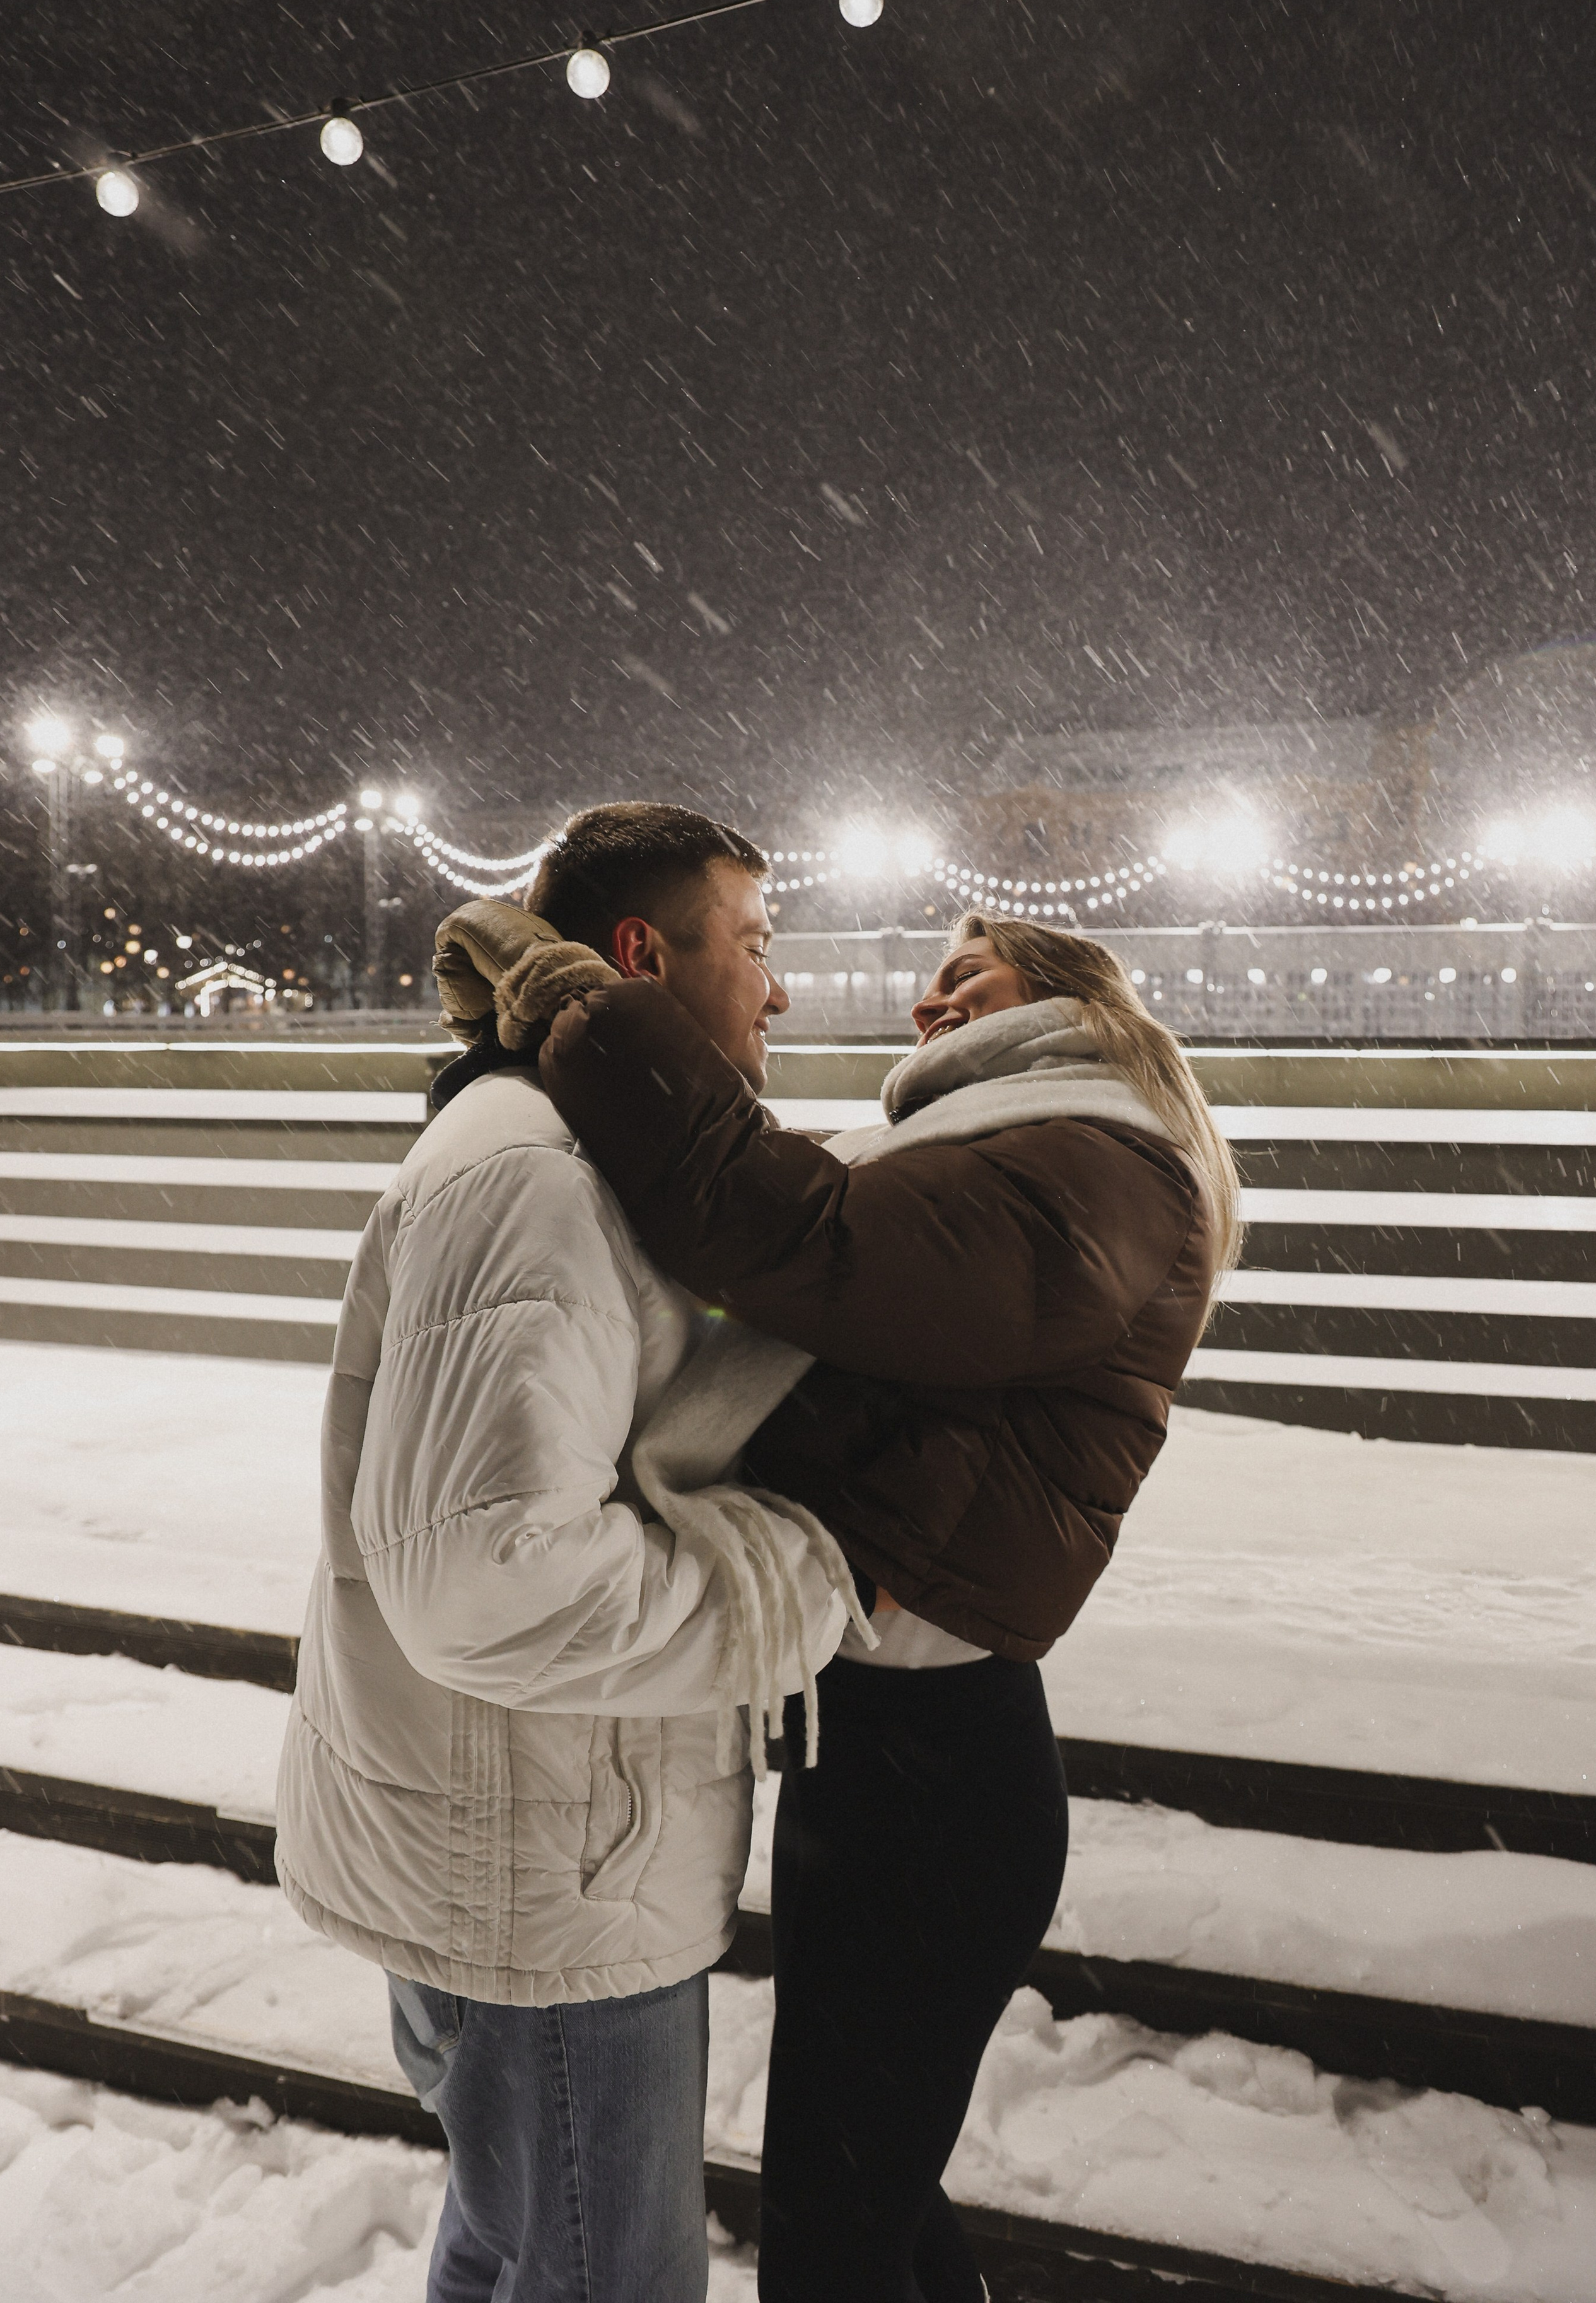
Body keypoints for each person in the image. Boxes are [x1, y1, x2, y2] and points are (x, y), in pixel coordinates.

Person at [501, 909, 1238, 2303]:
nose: (928, 1002)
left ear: (1072, 995)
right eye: (929, 979)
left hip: (937, 1783)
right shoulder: (1019, 1153)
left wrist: (595, 1014)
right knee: (870, 2219)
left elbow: (807, 1241)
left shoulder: (1095, 1162)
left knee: (837, 2243)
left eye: (967, 974)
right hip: (882, 1758)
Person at [274, 803, 861, 2303]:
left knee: (508, 2246)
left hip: (541, 1849)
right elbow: (490, 1575)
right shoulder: (534, 1169)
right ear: (639, 953)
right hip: (543, 1886)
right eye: (754, 946)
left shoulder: (568, 1144)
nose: (778, 989)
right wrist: (790, 1582)